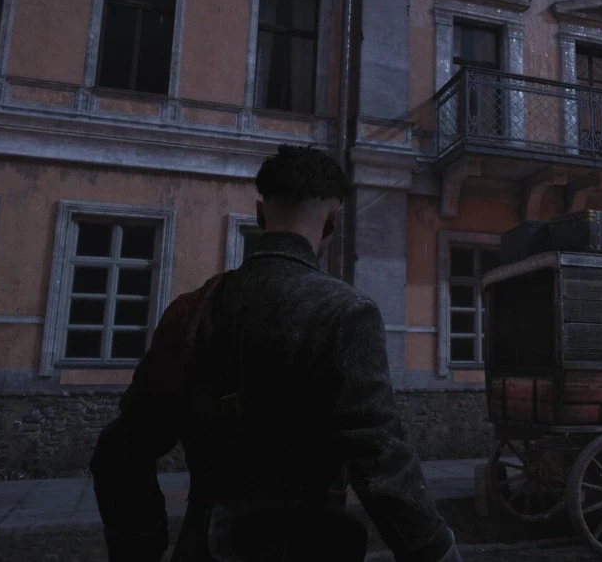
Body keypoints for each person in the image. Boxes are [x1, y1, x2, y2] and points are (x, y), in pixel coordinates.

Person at [90, 144, 461, 562]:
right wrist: (437, 551)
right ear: (333, 222)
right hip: (307, 547)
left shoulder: (192, 309)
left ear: (259, 213)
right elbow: (380, 460)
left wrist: (139, 545)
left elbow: (120, 452)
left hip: (203, 546)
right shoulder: (346, 313)